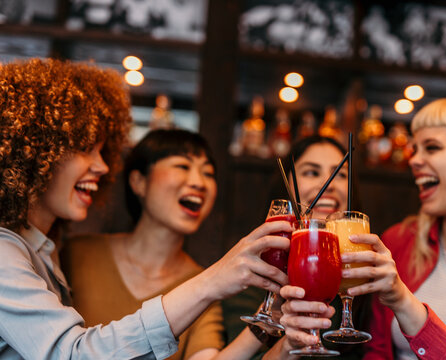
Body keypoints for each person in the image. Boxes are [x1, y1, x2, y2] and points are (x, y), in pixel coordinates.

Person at [0, 58, 291, 359]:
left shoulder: (46, 252)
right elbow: (73, 354)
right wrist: (213, 280)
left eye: (208, 172)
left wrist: (275, 332)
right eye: (86, 148)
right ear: (36, 152)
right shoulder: (17, 253)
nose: (102, 167)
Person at [280, 95, 446, 359]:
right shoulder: (399, 241)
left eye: (432, 147)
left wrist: (404, 302)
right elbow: (375, 352)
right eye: (415, 149)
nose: (414, 160)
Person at [64, 128, 304, 359]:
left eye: (208, 173)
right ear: (138, 182)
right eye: (182, 166)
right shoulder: (73, 254)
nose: (199, 182)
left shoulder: (208, 282)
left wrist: (269, 320)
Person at [222, 135, 370, 359]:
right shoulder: (258, 265)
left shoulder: (364, 270)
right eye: (311, 172)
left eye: (339, 174)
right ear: (287, 185)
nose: (327, 184)